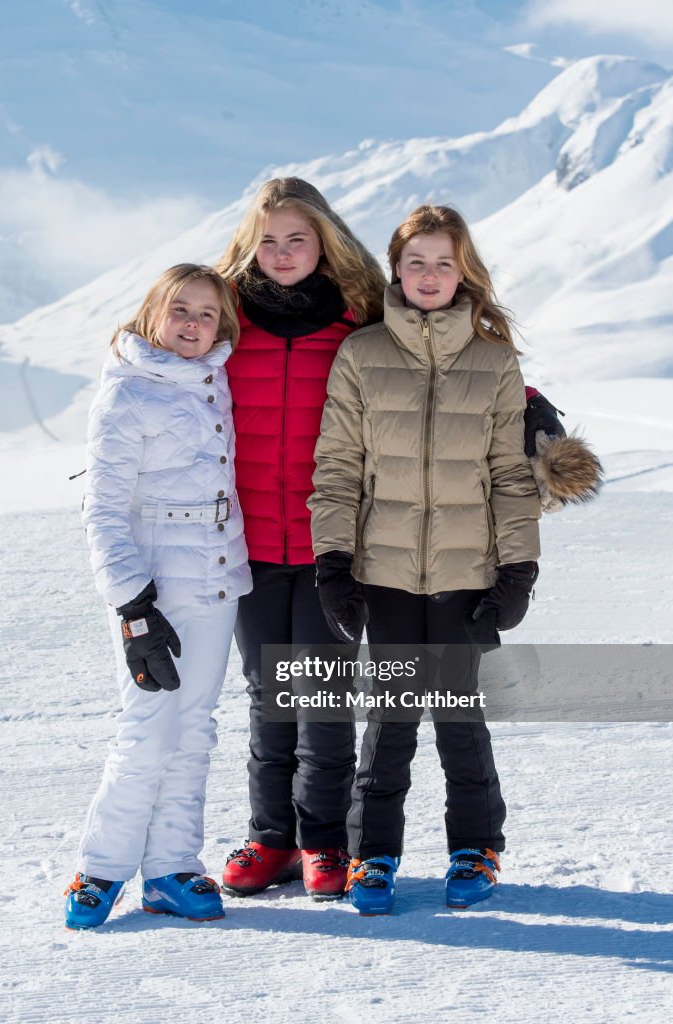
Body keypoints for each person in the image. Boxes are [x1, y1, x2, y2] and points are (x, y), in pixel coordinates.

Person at [308, 204, 542, 915]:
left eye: (444, 262)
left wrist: (518, 570)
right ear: (397, 270)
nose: (430, 275)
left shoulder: (495, 360)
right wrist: (333, 562)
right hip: (382, 572)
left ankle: (475, 848)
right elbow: (338, 467)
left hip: (469, 572)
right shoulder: (364, 354)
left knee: (459, 715)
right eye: (416, 262)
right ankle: (372, 854)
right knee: (390, 717)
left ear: (463, 268)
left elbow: (510, 473)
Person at [64, 264, 251, 929]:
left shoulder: (219, 381)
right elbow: (103, 511)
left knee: (194, 725)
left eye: (207, 314)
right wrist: (133, 606)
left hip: (219, 575)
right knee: (147, 727)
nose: (193, 325)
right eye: (180, 310)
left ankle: (172, 867)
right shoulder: (127, 393)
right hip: (155, 585)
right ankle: (102, 866)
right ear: (151, 314)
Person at [216, 178, 387, 900]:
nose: (282, 254)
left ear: (325, 241)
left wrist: (530, 409)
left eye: (298, 239)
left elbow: (448, 364)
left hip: (332, 543)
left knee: (320, 692)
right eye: (269, 240)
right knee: (266, 694)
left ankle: (324, 841)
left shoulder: (361, 321)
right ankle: (271, 839)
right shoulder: (224, 320)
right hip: (245, 540)